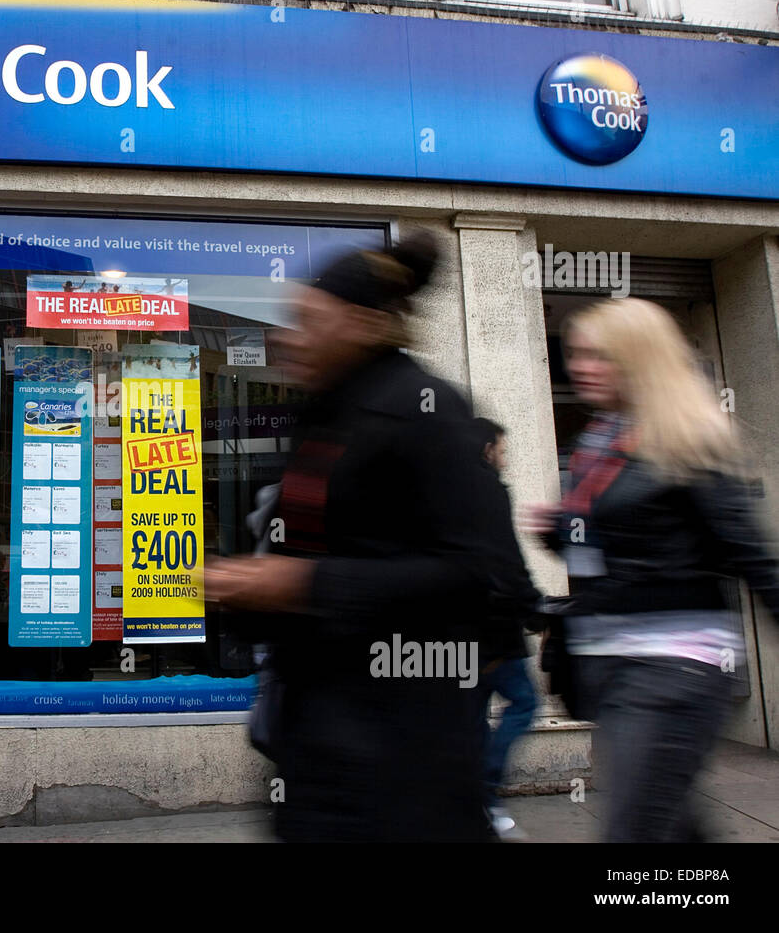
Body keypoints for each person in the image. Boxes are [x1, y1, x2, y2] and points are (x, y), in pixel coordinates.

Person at [206, 234, 500, 841]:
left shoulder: (428, 411)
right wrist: (249, 593)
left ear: (366, 324)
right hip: (319, 742)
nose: (289, 337)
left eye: (309, 322)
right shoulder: (320, 417)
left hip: (403, 756)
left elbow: (478, 576)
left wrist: (301, 584)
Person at [522, 298, 779, 842]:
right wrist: (558, 528)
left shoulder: (691, 439)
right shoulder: (598, 443)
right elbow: (600, 549)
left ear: (640, 360)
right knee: (671, 824)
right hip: (607, 663)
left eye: (601, 356)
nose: (582, 368)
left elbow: (753, 556)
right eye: (578, 355)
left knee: (637, 833)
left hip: (673, 664)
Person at [470, 417, 540, 838]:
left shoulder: (449, 490)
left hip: (459, 630)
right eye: (503, 449)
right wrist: (533, 609)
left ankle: (479, 800)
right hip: (493, 628)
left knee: (474, 713)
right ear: (486, 448)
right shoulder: (488, 490)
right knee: (525, 702)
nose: (506, 459)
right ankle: (485, 788)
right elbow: (507, 559)